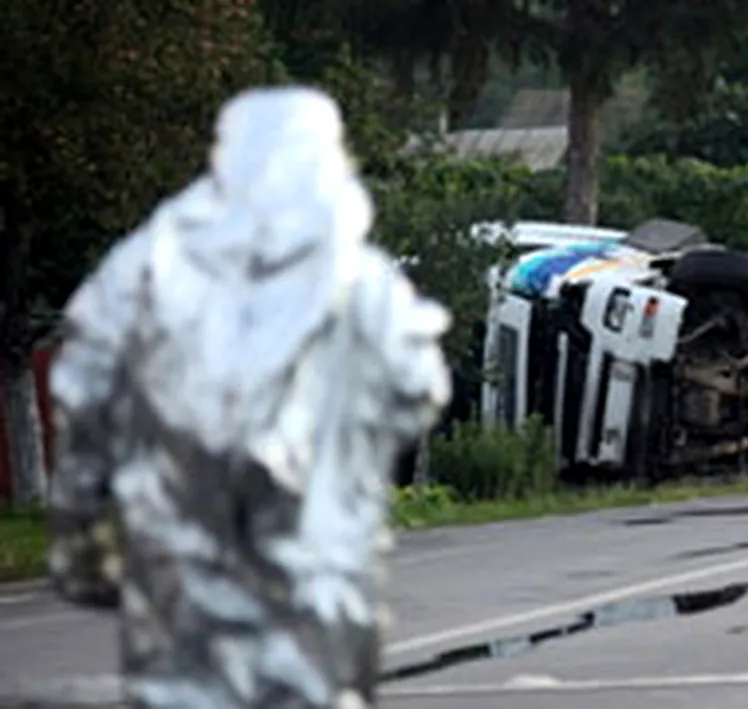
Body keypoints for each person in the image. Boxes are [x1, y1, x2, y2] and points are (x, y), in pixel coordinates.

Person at [45, 86, 452, 708]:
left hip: (177, 580)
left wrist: (79, 540)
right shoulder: (361, 280)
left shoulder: (143, 266)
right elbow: (420, 388)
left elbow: (82, 394)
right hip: (320, 576)